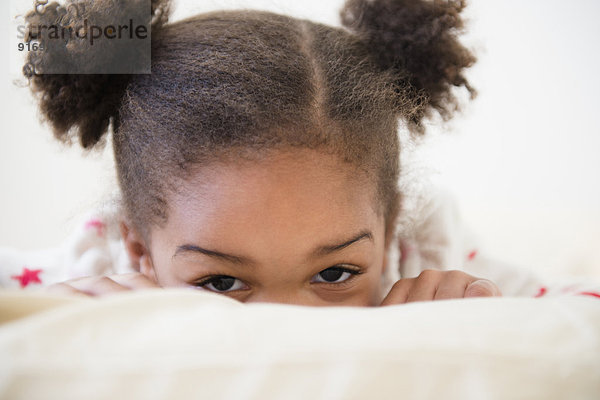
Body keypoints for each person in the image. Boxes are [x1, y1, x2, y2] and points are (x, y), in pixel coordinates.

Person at [10, 0, 508, 306]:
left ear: (390, 228)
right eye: (223, 282)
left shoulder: (428, 254)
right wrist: (48, 323)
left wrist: (486, 316)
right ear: (140, 252)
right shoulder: (88, 277)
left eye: (335, 274)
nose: (284, 325)